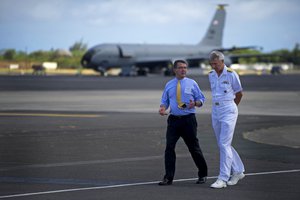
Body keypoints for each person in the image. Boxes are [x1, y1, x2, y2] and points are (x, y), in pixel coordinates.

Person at [158, 59, 208, 186]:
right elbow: (164, 101)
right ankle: (168, 178)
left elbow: (201, 99)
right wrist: (163, 108)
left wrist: (195, 103)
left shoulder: (192, 83)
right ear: (174, 70)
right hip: (174, 121)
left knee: (194, 148)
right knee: (169, 148)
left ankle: (202, 174)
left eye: (185, 67)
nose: (183, 70)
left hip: (188, 120)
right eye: (180, 67)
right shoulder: (169, 84)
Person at [208, 51, 245, 189]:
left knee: (224, 144)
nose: (213, 66)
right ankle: (238, 171)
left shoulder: (231, 74)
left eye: (215, 64)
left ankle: (222, 178)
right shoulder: (211, 75)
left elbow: (239, 93)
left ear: (222, 62)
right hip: (215, 110)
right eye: (211, 64)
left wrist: (232, 107)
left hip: (228, 110)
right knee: (222, 144)